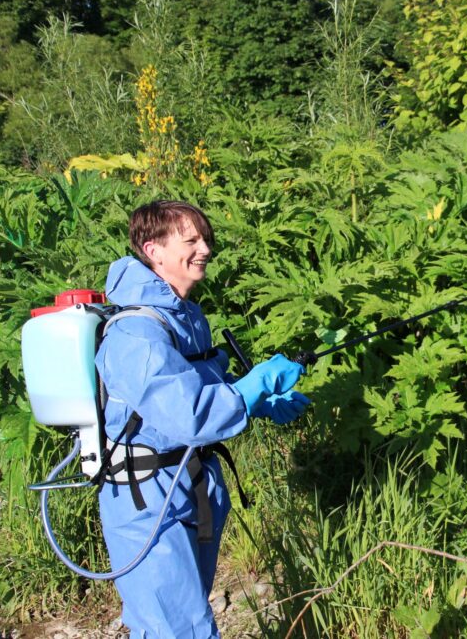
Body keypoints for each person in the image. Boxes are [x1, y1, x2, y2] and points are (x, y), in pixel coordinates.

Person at [94, 200, 309, 637]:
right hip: (146, 499)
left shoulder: (186, 317)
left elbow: (202, 388)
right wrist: (257, 384)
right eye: (190, 240)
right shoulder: (136, 333)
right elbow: (189, 415)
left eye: (205, 238)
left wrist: (258, 401)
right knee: (183, 631)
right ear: (153, 250)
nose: (205, 248)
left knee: (178, 620)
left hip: (189, 485)